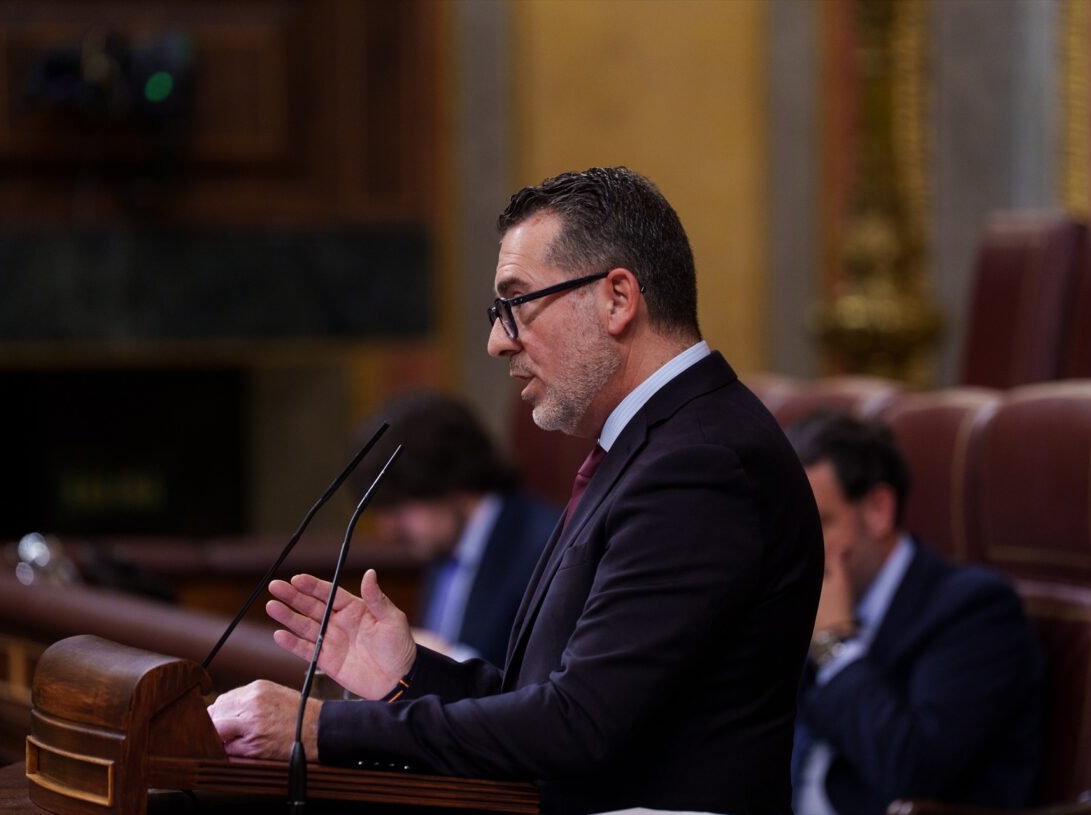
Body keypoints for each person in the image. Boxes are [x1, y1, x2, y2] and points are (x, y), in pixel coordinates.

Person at [208, 166, 824, 814]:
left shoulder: (700, 464)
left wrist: (318, 729)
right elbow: (554, 698)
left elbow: (578, 726)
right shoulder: (654, 449)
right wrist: (408, 673)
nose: (498, 340)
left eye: (516, 303)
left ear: (617, 298)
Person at [785, 411, 1044, 815]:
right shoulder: (802, 592)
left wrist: (834, 644)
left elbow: (913, 772)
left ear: (878, 510)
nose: (796, 549)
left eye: (818, 523)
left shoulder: (974, 611)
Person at [357, 390, 558, 666]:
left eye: (397, 507)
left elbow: (537, 682)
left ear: (452, 481)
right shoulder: (446, 543)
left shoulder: (544, 548)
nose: (388, 531)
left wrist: (436, 659)